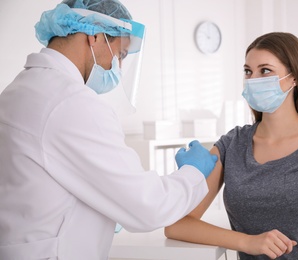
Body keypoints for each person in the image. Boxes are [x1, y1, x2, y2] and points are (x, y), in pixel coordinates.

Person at [0, 0, 218, 259]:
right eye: (120, 54)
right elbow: (149, 206)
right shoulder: (72, 102)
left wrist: (103, 209)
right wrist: (192, 173)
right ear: (94, 36)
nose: (118, 67)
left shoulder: (18, 90)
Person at [165, 32, 298, 259]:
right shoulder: (232, 145)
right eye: (248, 71)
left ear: (294, 77)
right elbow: (177, 225)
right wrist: (248, 242)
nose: (253, 80)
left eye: (265, 71)